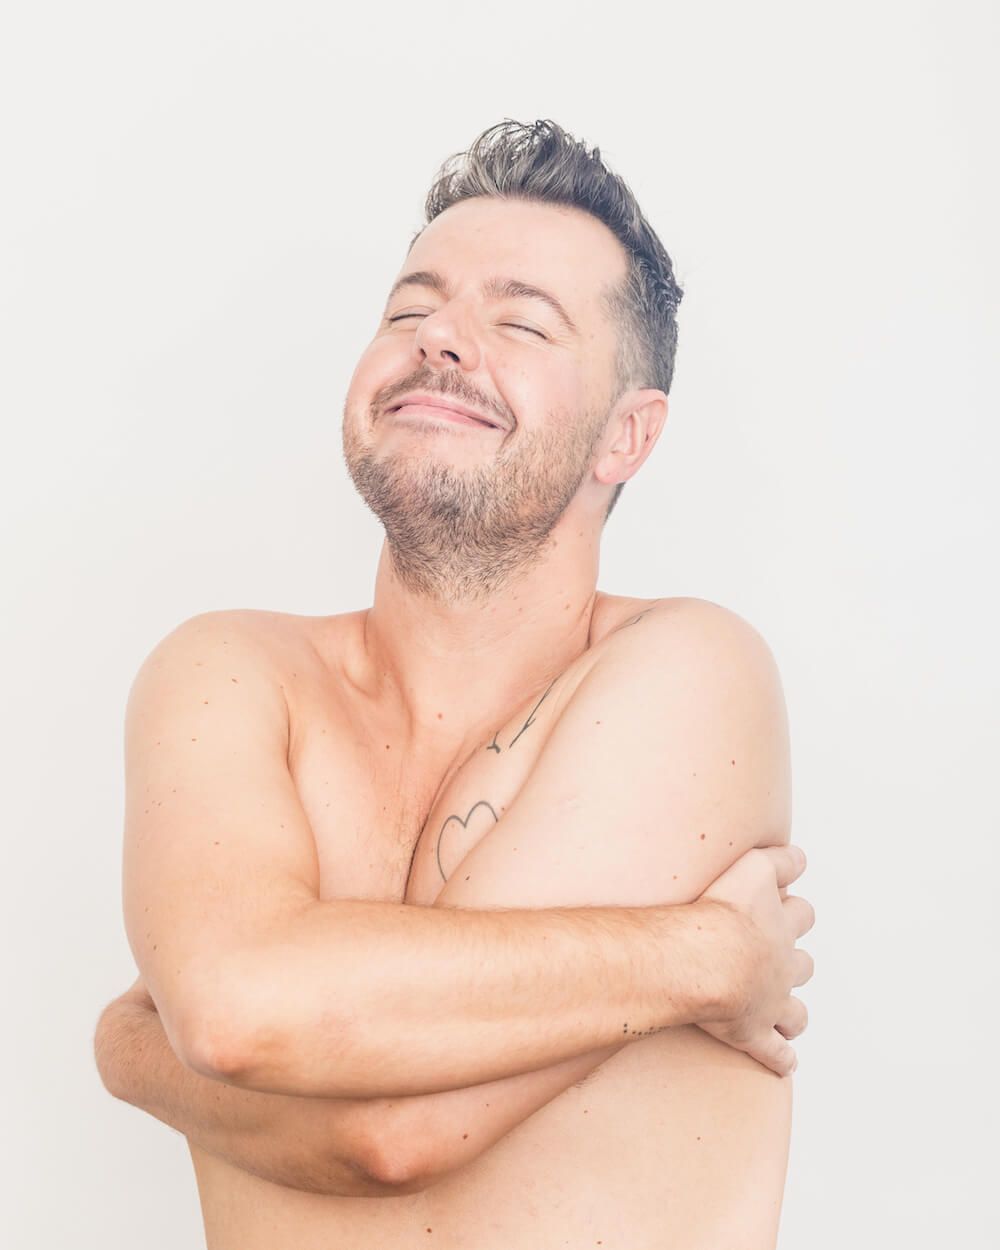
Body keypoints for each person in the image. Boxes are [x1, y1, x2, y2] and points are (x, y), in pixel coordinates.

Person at [93, 118, 815, 1249]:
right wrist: (704, 956)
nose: (438, 338)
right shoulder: (227, 672)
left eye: (520, 322)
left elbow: (393, 1125)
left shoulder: (691, 672)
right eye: (408, 310)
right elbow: (237, 1012)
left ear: (626, 436)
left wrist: (136, 1043)